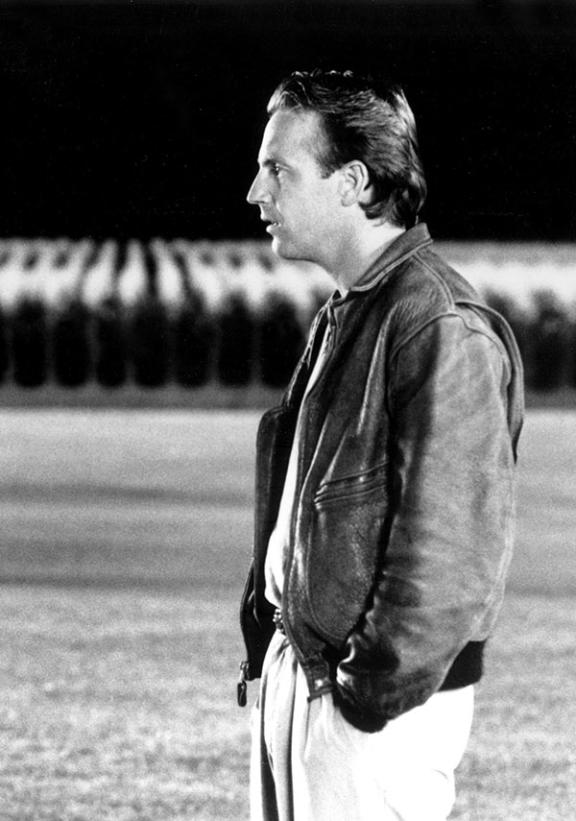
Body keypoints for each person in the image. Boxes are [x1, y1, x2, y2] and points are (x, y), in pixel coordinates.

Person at [237, 69, 524, 820]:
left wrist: (363, 700)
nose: (255, 192)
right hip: (311, 678)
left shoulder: (439, 326)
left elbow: (451, 561)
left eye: (278, 169)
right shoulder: (354, 308)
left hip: (370, 709)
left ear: (352, 182)